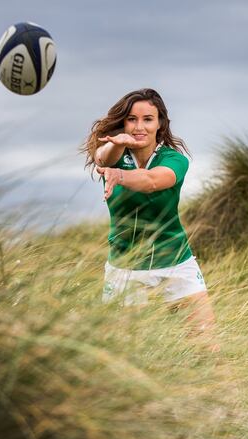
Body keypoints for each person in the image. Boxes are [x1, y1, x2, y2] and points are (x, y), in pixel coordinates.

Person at [81, 88, 219, 351]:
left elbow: (153, 181)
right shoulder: (112, 154)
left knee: (207, 350)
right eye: (132, 119)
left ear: (160, 124)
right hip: (125, 267)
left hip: (175, 261)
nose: (139, 126)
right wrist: (117, 145)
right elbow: (102, 157)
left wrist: (118, 177)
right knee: (127, 356)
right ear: (123, 122)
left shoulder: (174, 160)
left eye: (148, 119)